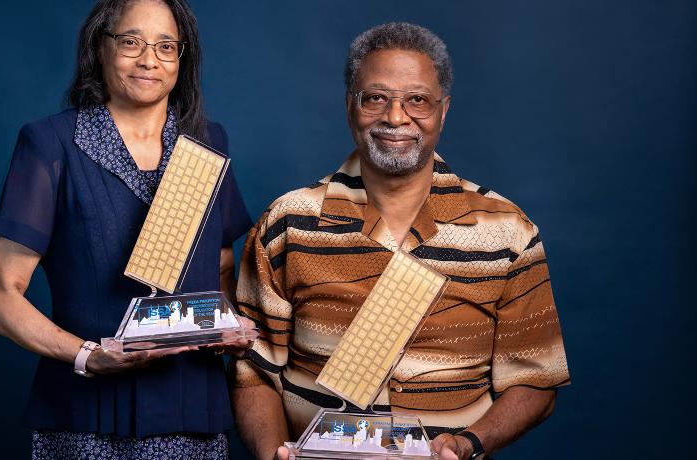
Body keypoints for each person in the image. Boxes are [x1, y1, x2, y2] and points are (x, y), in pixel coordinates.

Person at [230, 22, 570, 460]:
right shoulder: (288, 223)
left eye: (417, 100)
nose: (395, 117)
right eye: (375, 98)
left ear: (443, 111)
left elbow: (536, 380)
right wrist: (272, 454)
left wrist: (467, 444)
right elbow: (254, 372)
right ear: (350, 107)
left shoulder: (507, 230)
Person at [0, 0, 253, 458]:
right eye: (131, 42)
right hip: (86, 421)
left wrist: (235, 326)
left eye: (166, 46)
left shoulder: (207, 142)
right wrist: (86, 355)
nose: (150, 60)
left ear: (182, 59)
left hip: (195, 417)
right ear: (99, 49)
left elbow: (222, 266)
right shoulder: (51, 143)